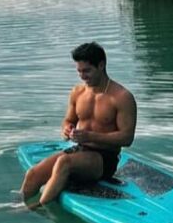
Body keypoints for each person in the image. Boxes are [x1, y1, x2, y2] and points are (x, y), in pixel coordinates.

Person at [22, 41, 137, 208]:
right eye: (79, 71)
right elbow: (68, 121)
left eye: (87, 71)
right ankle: (19, 203)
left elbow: (127, 138)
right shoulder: (78, 92)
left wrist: (90, 136)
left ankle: (37, 208)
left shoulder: (121, 97)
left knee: (63, 163)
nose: (83, 76)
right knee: (33, 174)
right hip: (79, 150)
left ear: (101, 65)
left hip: (104, 159)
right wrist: (67, 129)